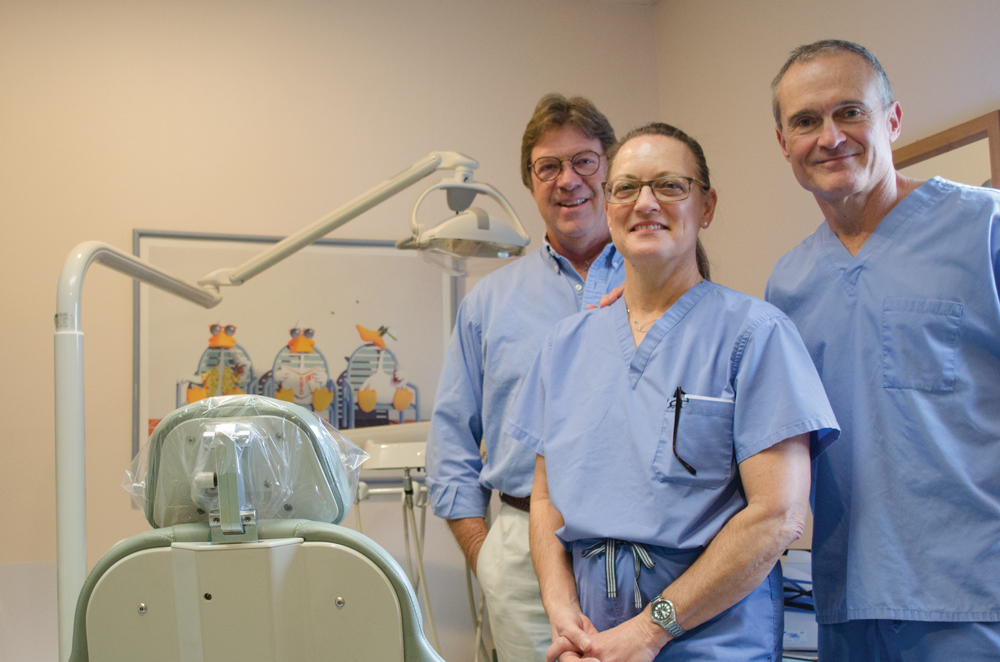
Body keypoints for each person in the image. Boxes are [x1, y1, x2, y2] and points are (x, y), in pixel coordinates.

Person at [505, 122, 839, 661]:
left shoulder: (755, 334)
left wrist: (649, 631)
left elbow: (779, 513)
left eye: (669, 186)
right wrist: (562, 611)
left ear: (706, 207)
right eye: (626, 187)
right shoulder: (565, 345)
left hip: (711, 637)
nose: (645, 203)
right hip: (592, 638)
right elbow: (545, 499)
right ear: (607, 204)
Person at [766, 40, 1000, 660]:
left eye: (851, 112)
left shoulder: (985, 229)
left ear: (892, 119)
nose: (830, 136)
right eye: (806, 121)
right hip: (844, 601)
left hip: (976, 602)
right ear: (784, 142)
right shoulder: (788, 284)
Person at [425, 93, 626, 662]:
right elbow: (451, 438)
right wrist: (485, 551)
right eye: (548, 167)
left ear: (610, 169)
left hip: (641, 543)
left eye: (585, 160)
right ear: (531, 182)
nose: (569, 180)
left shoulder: (661, 280)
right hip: (518, 545)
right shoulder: (489, 303)